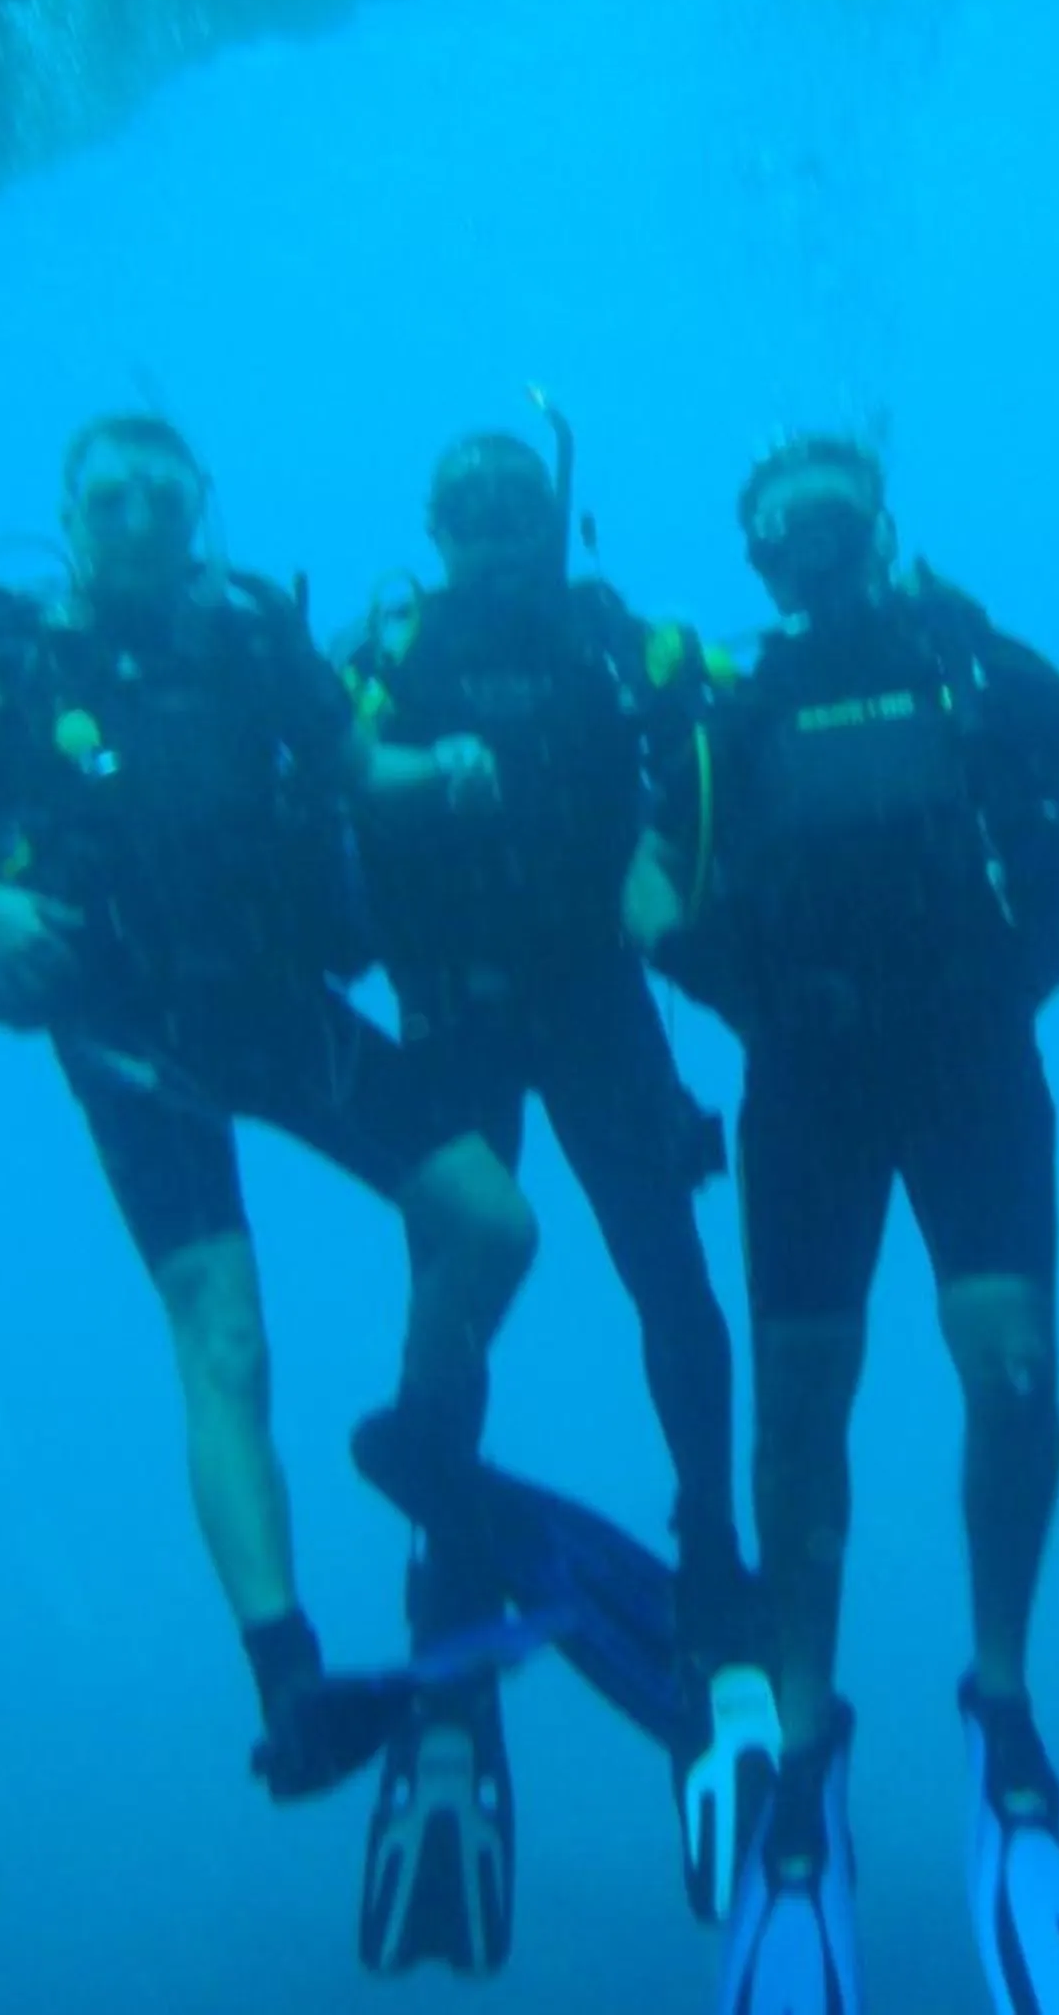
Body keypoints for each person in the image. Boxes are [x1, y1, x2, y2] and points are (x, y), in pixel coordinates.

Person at [0, 413, 553, 1842]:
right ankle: (290, 1678)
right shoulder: (0, 664)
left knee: (493, 1222)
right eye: (113, 496)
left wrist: (453, 763)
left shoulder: (253, 639)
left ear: (202, 504)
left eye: (165, 494)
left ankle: (416, 1431)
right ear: (68, 510)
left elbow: (360, 771)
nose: (142, 518)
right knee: (223, 1336)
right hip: (128, 1040)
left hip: (274, 1004)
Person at [621, 435, 1059, 2015]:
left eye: (834, 513)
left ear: (877, 525)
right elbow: (647, 870)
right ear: (756, 554)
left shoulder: (968, 662)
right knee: (800, 1414)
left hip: (971, 1057)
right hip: (805, 1074)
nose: (812, 539)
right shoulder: (733, 707)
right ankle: (804, 1738)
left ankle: (1003, 1697)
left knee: (1013, 1368)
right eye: (782, 522)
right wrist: (701, 961)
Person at [335, 413, 769, 1927]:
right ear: (433, 526)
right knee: (459, 1290)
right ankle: (449, 1578)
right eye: (466, 505)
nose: (492, 525)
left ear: (555, 515)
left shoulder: (618, 642)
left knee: (671, 1278)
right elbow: (304, 782)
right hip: (455, 1011)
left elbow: (730, 750)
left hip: (596, 1001)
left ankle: (712, 1551)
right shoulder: (381, 655)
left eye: (515, 500)